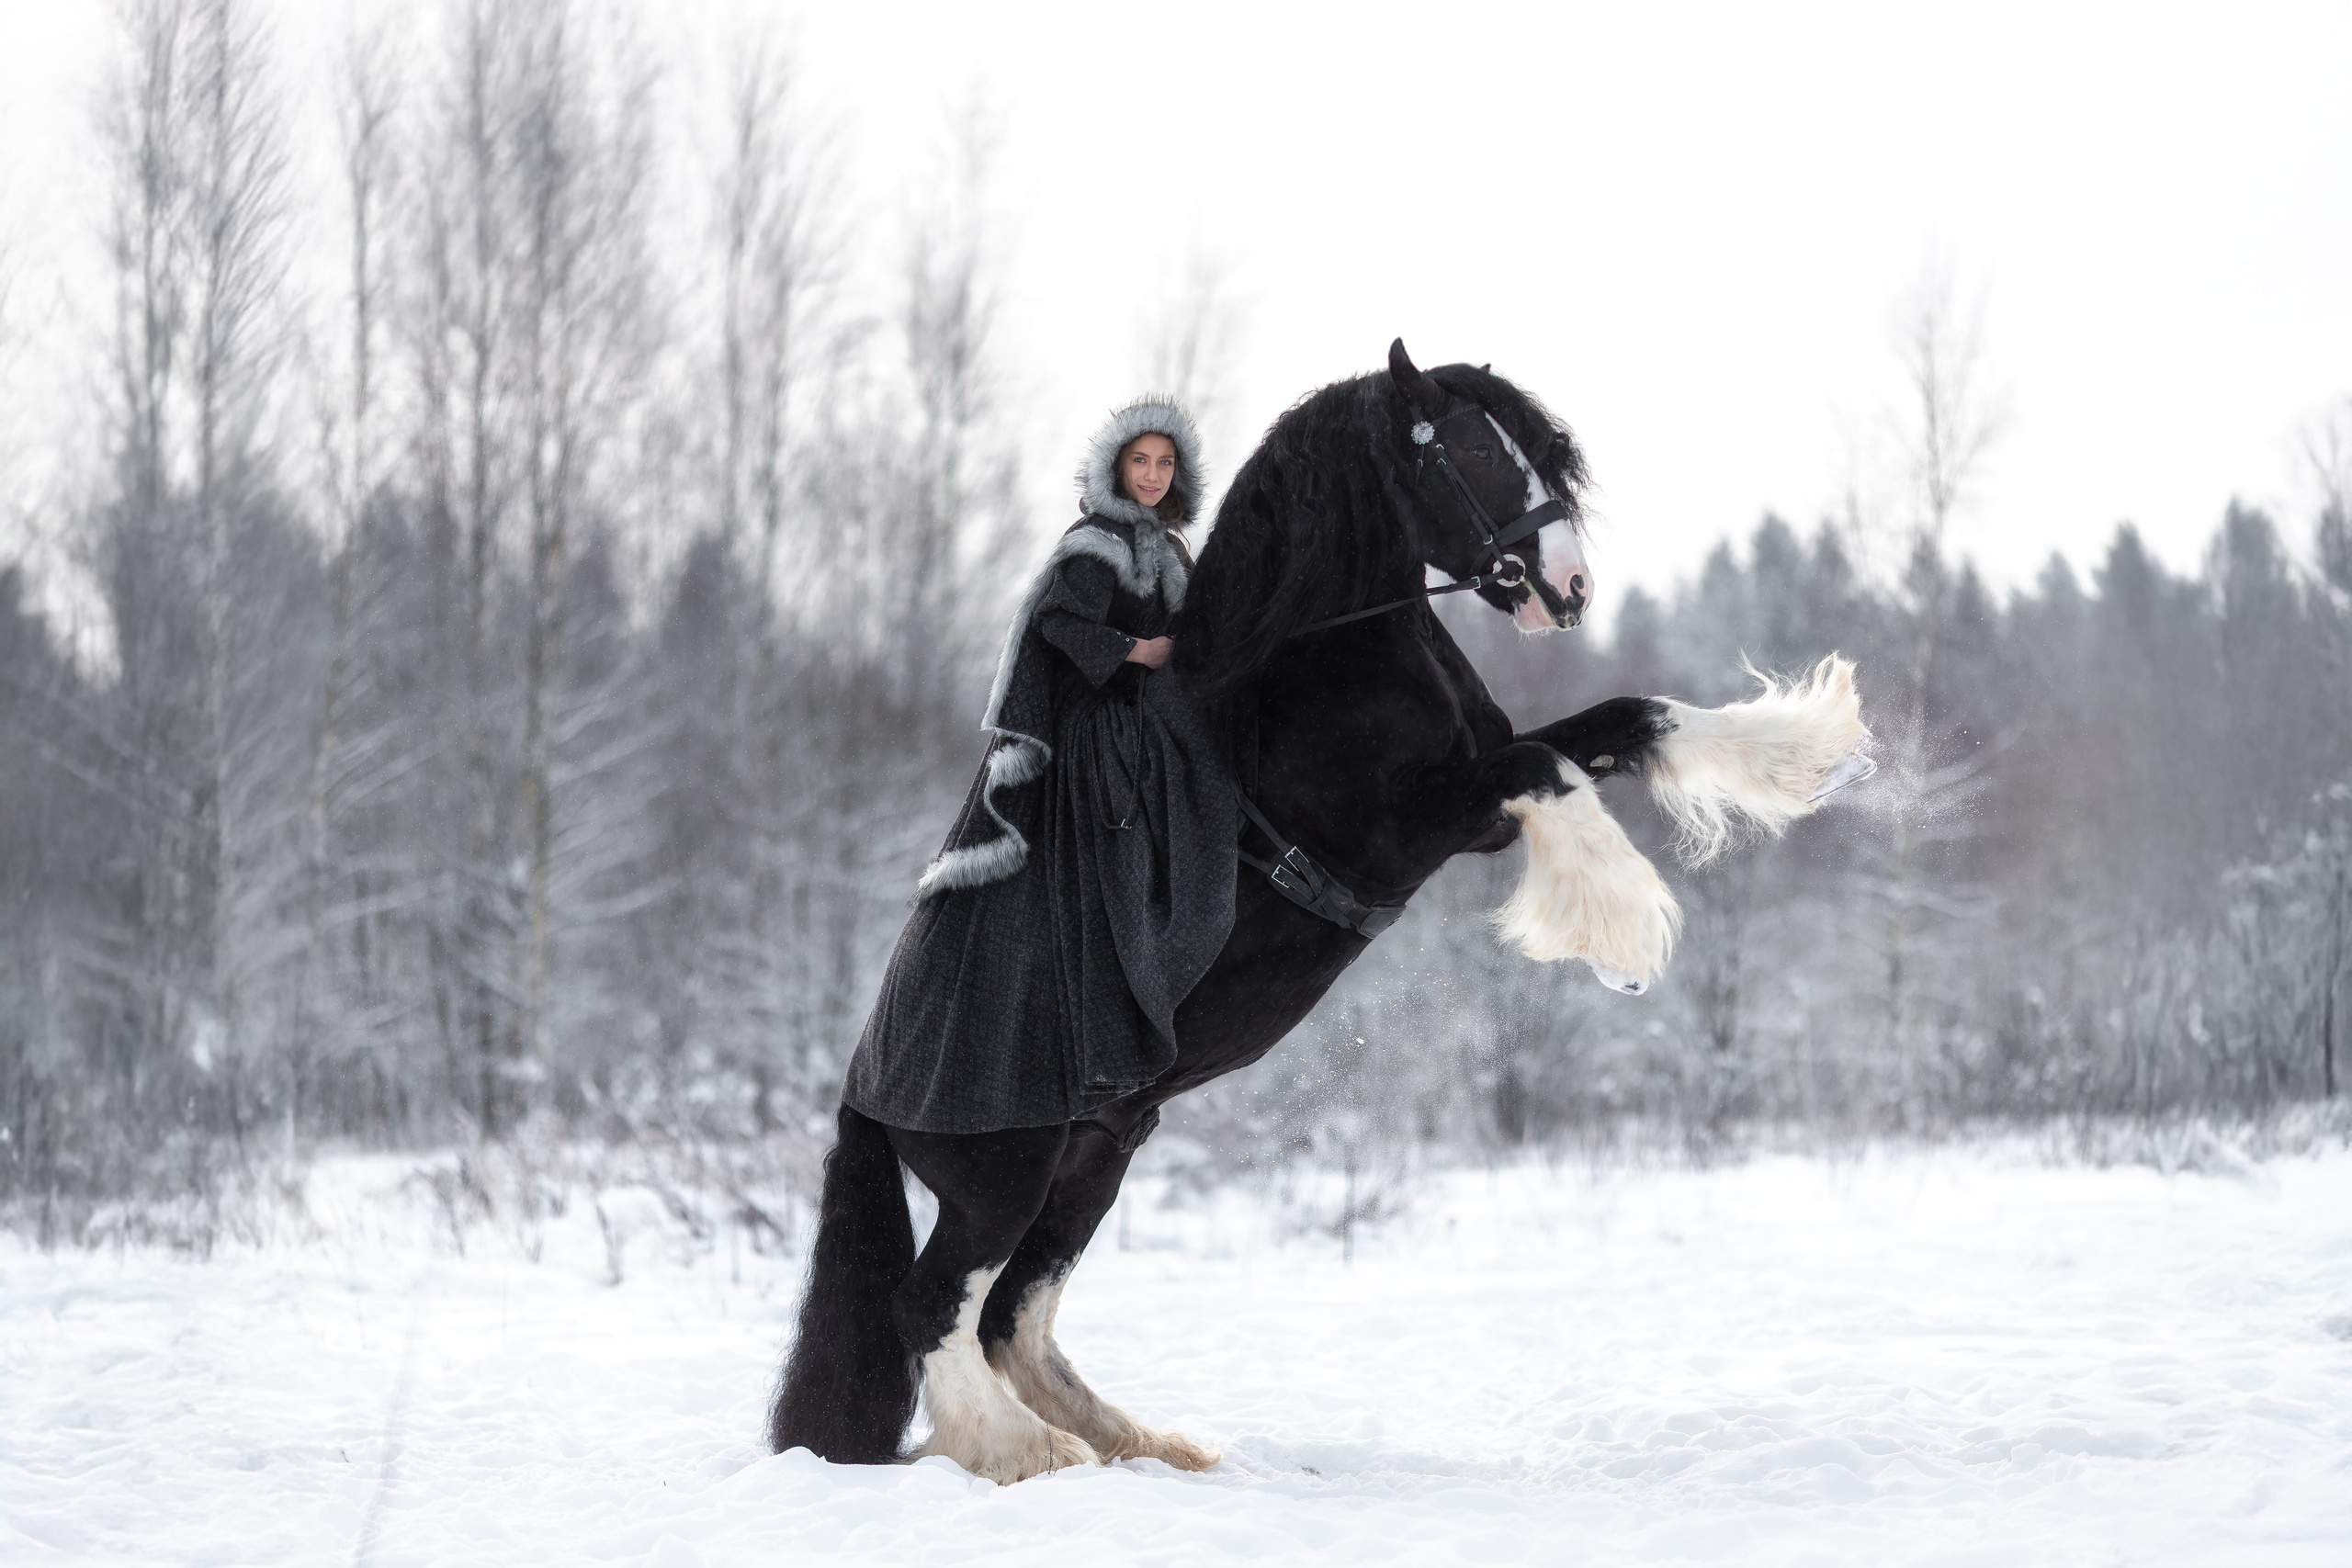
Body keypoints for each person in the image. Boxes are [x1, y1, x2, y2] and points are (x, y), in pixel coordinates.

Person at [841, 398, 1237, 1136]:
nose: (1152, 475)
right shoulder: (1096, 544)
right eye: (1139, 461)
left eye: (1164, 463)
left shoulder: (1173, 553)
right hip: (1096, 737)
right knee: (1108, 880)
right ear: (1117, 468)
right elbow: (1056, 621)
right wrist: (1132, 651)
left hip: (1150, 729)